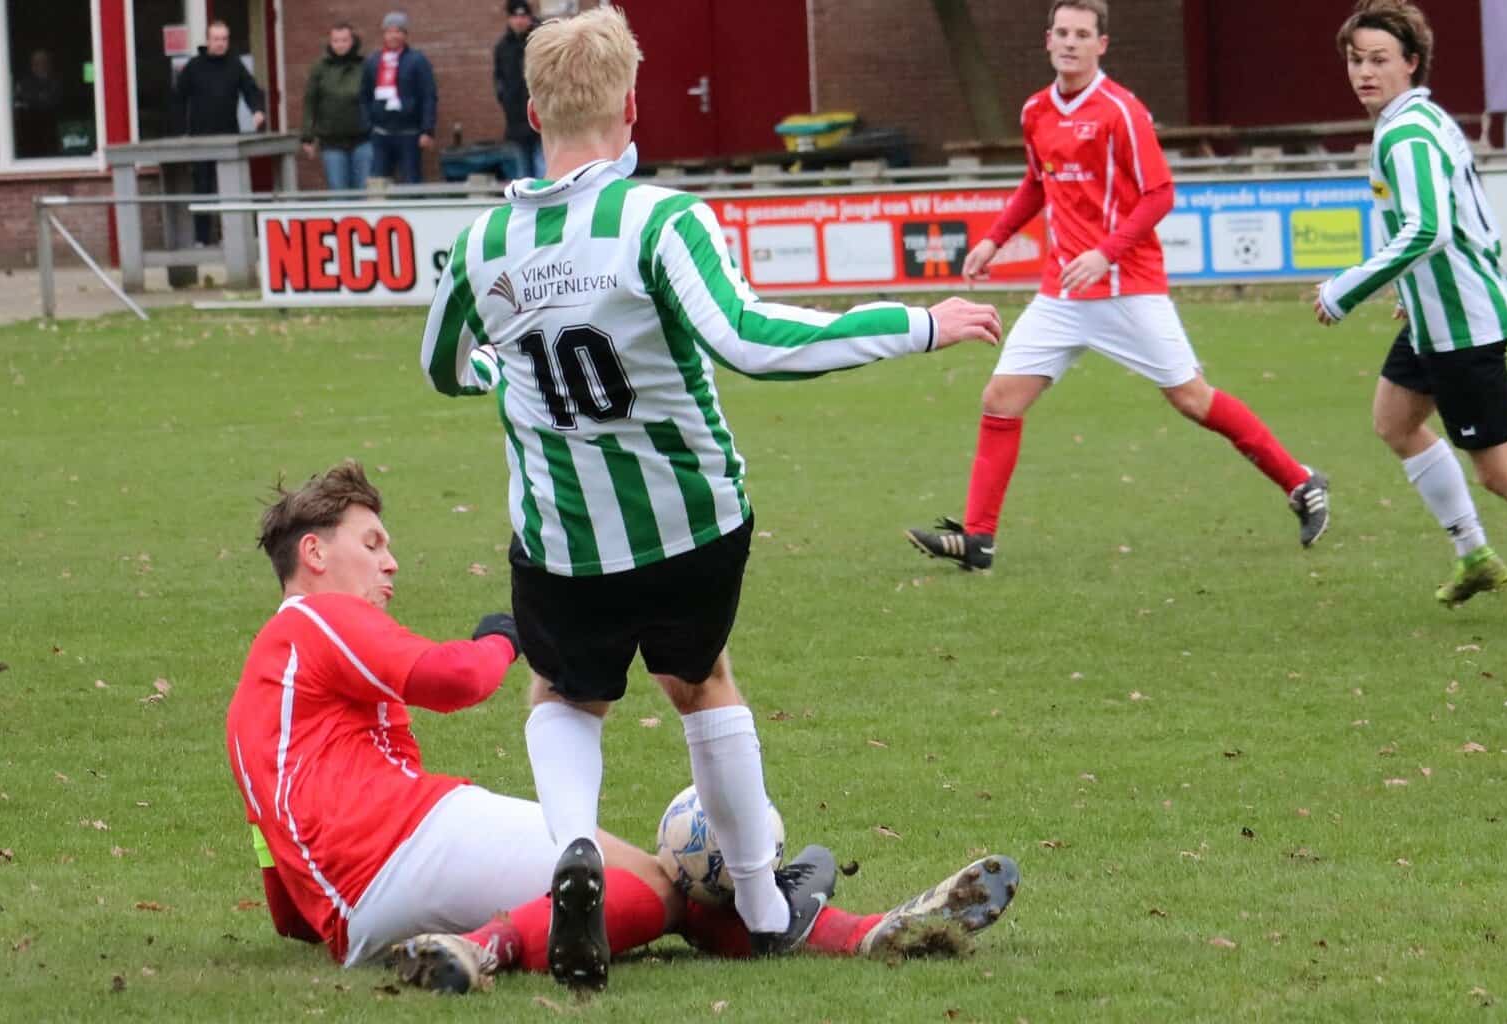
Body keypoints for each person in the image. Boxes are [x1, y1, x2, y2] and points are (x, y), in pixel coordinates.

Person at [419, 6, 1003, 992]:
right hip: (693, 519)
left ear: (528, 108)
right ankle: (766, 906)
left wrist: (501, 379)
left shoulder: (482, 245)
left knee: (565, 693)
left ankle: (577, 851)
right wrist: (918, 324)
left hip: (564, 536)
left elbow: (443, 365)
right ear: (633, 104)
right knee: (701, 681)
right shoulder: (658, 218)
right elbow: (749, 340)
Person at [225, 461, 1020, 994]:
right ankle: (844, 928)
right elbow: (456, 679)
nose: (391, 563)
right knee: (657, 885)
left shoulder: (245, 712)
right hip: (409, 838)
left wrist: (339, 930)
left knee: (644, 884)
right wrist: (505, 632)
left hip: (356, 920)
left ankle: (828, 918)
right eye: (373, 543)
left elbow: (283, 905)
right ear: (314, 554)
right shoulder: (315, 619)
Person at [905, 0, 1330, 573]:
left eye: (1083, 34)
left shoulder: (1122, 111)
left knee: (1191, 398)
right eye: (1062, 32)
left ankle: (1301, 482)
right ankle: (978, 539)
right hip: (1062, 294)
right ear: (1047, 39)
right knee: (999, 399)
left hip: (1128, 287)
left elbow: (1161, 195)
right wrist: (995, 239)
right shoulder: (1035, 110)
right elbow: (1038, 181)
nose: (1070, 42)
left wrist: (1105, 254)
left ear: (1102, 44)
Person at [1315, 1, 1507, 606]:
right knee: (1395, 420)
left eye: (1380, 59)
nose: (1364, 71)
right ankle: (1475, 555)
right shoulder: (1419, 119)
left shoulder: (1407, 132)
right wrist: (1414, 293)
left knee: (1503, 472)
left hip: (1461, 324)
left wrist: (1344, 290)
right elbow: (1468, 221)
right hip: (1439, 315)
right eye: (1356, 59)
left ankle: (1477, 551)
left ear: (1411, 62)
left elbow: (1428, 229)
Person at [171, 20, 267, 245]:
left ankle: (231, 237)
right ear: (208, 40)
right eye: (216, 39)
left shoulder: (235, 66)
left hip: (228, 137)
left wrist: (257, 110)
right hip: (200, 138)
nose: (221, 43)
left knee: (230, 189)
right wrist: (180, 131)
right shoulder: (194, 66)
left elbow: (251, 90)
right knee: (202, 189)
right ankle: (202, 239)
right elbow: (177, 99)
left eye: (224, 39)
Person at [361, 11, 437, 185]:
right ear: (384, 34)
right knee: (378, 183)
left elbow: (428, 95)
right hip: (380, 133)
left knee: (411, 182)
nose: (393, 35)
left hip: (409, 133)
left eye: (398, 31)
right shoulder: (373, 61)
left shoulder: (417, 60)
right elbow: (364, 96)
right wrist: (368, 126)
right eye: (389, 31)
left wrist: (427, 129)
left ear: (405, 34)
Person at [301, 23, 371, 191]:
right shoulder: (320, 68)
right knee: (338, 193)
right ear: (330, 43)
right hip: (332, 143)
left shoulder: (365, 66)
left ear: (352, 41)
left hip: (363, 140)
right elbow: (310, 102)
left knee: (365, 193)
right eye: (336, 40)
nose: (340, 44)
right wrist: (308, 136)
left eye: (344, 40)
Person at [494, 0, 544, 180]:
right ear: (509, 19)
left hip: (541, 117)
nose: (519, 21)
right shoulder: (502, 48)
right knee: (522, 172)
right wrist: (505, 99)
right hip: (515, 119)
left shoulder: (540, 42)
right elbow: (499, 79)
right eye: (515, 16)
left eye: (523, 16)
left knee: (542, 167)